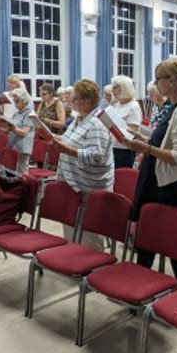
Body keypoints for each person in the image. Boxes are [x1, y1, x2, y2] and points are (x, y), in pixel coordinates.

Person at [123, 58, 177, 282]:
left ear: (172, 80)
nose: (155, 84)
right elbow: (165, 139)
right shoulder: (175, 107)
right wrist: (143, 137)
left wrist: (145, 148)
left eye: (158, 79)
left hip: (174, 185)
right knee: (149, 236)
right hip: (161, 181)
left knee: (173, 240)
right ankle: (141, 283)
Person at [53, 79, 114, 248]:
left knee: (89, 234)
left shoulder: (98, 122)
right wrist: (57, 139)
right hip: (73, 183)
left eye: (76, 98)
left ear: (87, 101)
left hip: (89, 187)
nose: (72, 102)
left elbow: (96, 156)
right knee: (72, 227)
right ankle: (74, 260)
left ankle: (92, 268)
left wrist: (67, 150)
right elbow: (71, 140)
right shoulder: (80, 118)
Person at [0, 88, 34, 175]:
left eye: (17, 101)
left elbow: (24, 132)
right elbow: (12, 129)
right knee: (12, 172)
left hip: (23, 147)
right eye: (14, 101)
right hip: (13, 145)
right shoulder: (16, 113)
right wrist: (2, 127)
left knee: (22, 173)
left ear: (24, 101)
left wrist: (12, 128)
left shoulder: (30, 113)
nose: (15, 104)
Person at [111, 75, 142, 168]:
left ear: (125, 88)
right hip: (113, 146)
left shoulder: (133, 106)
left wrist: (115, 129)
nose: (112, 90)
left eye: (116, 87)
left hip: (124, 150)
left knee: (122, 178)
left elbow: (133, 132)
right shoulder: (117, 105)